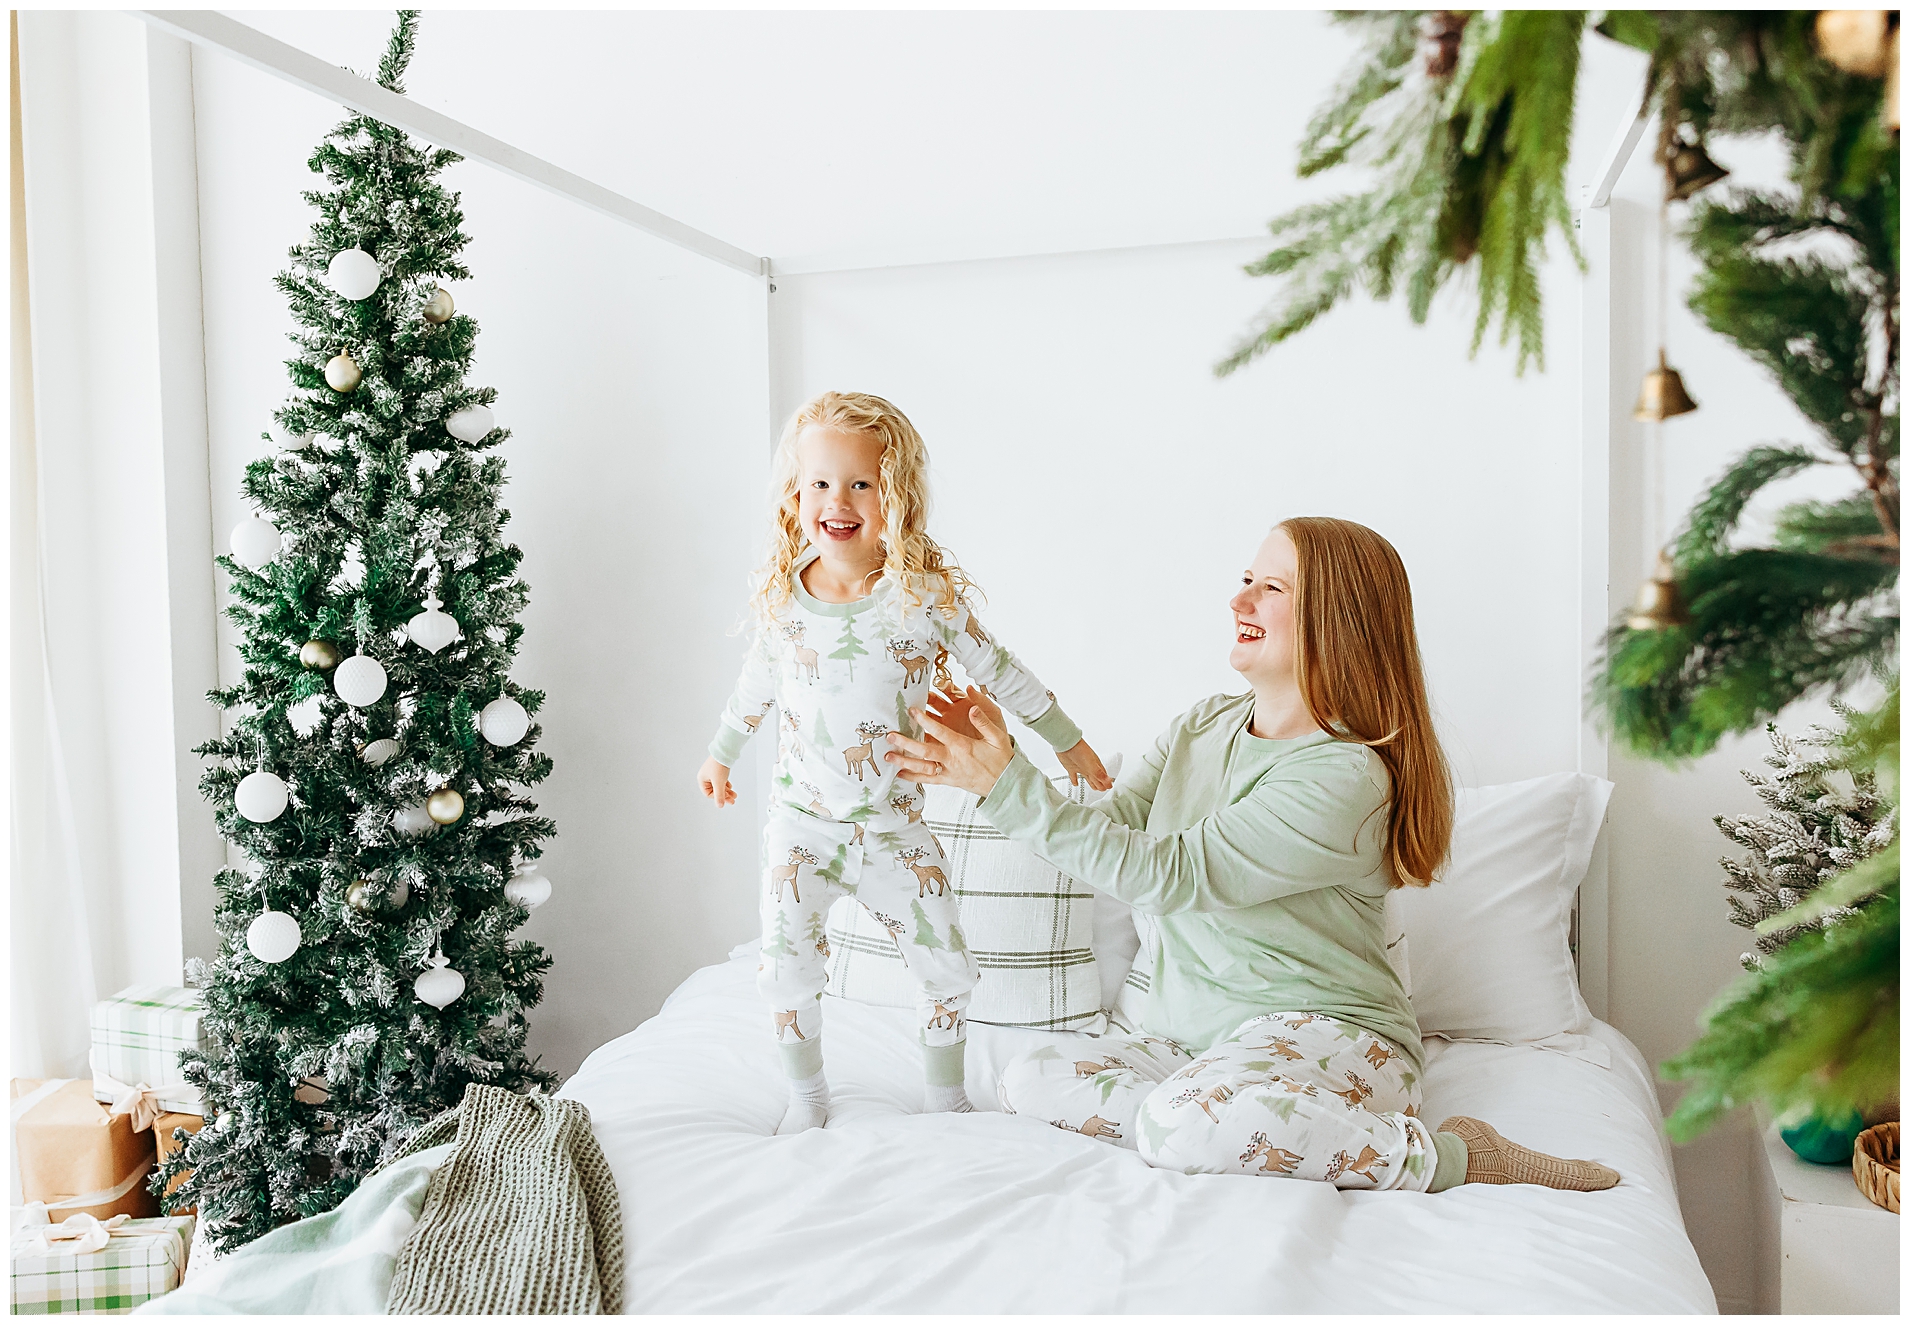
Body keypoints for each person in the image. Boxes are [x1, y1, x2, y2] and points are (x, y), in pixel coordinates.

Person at [885, 517, 1619, 1193]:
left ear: (1337, 622)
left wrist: (1006, 787)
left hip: (1331, 1036)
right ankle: (1200, 1115)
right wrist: (1003, 761)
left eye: (1273, 587)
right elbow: (1107, 835)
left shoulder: (1346, 775)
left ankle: (1453, 1155)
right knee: (1030, 1077)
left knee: (1178, 1122)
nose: (1243, 596)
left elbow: (1168, 874)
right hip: (1187, 1044)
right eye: (1247, 578)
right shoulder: (1203, 723)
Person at [699, 391, 1114, 1135]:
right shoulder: (785, 596)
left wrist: (1067, 738)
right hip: (802, 829)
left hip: (895, 831)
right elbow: (758, 682)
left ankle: (945, 1095)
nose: (839, 500)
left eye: (862, 483)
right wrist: (722, 752)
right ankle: (807, 1096)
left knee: (947, 967)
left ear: (895, 496)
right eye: (821, 482)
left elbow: (1002, 669)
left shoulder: (921, 596)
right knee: (786, 968)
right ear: (797, 494)